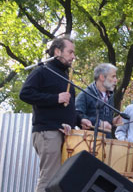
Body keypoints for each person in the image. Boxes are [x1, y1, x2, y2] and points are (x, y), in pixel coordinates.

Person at [20, 36, 91, 191]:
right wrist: (55, 98)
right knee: (49, 178)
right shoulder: (42, 71)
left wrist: (80, 120)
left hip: (64, 134)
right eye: (70, 52)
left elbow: (67, 106)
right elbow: (25, 94)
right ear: (58, 51)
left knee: (60, 181)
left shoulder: (64, 76)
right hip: (48, 132)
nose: (73, 56)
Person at [75, 63, 120, 137]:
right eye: (113, 76)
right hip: (89, 142)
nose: (116, 80)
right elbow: (77, 115)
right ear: (102, 77)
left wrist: (113, 121)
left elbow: (105, 121)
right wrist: (98, 123)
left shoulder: (110, 96)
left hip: (107, 142)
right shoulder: (85, 95)